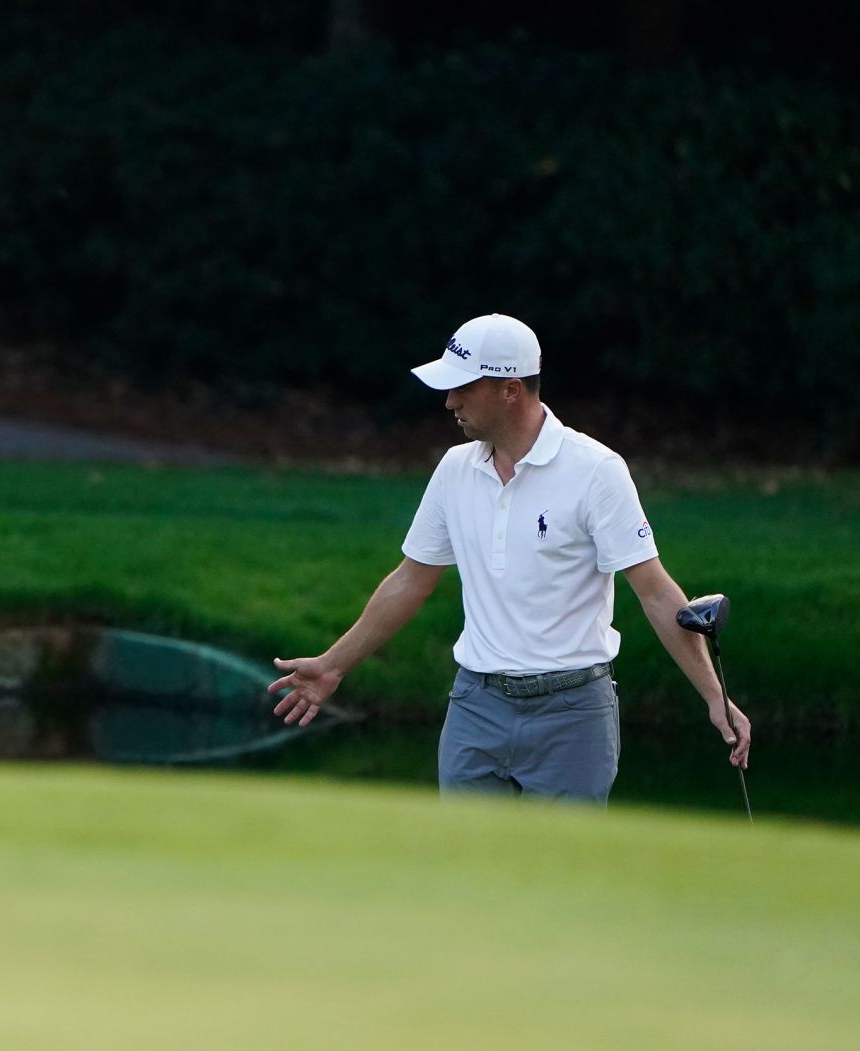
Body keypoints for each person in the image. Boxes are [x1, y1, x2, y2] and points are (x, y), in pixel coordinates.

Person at [269, 313, 751, 804]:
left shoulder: (595, 471)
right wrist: (333, 666)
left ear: (510, 389)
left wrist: (715, 696)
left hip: (573, 713)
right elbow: (410, 580)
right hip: (475, 707)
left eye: (463, 388)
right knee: (467, 875)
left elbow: (653, 591)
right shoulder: (455, 469)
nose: (449, 401)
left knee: (560, 874)